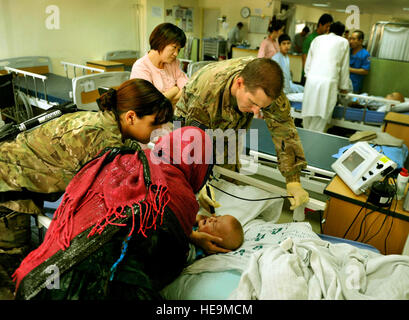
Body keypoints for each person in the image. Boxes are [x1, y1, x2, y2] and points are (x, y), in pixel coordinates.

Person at [13, 126, 231, 300]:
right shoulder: (182, 196)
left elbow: (131, 207)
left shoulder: (121, 158)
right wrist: (188, 237)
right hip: (92, 290)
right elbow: (168, 254)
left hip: (36, 276)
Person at [0, 79, 173, 290]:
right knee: (19, 276)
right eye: (155, 123)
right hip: (7, 185)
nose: (159, 130)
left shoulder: (109, 124)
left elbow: (133, 154)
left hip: (18, 172)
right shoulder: (102, 139)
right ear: (131, 117)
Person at [175, 57, 310, 212]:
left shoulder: (267, 86)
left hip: (230, 125)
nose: (256, 112)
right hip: (191, 122)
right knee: (192, 186)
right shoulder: (205, 94)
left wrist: (293, 180)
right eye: (252, 103)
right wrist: (200, 182)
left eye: (261, 106)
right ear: (239, 83)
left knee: (226, 180)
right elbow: (193, 142)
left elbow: (284, 129)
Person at [301, 21, 350, 133]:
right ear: (342, 33)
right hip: (329, 81)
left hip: (312, 80)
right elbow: (344, 66)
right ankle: (313, 141)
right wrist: (344, 86)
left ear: (329, 29)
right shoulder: (343, 42)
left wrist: (308, 75)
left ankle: (305, 136)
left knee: (308, 112)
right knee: (321, 114)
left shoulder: (317, 39)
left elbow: (308, 62)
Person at [130, 23, 188, 106]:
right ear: (161, 42)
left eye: (178, 50)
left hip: (174, 115)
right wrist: (175, 89)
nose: (176, 54)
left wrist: (166, 98)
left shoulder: (174, 63)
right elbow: (150, 103)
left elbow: (186, 89)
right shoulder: (141, 67)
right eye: (174, 47)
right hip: (155, 117)